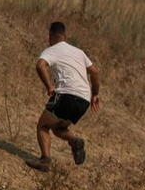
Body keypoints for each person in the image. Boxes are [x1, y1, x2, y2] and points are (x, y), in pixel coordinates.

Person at [29, 21, 100, 171]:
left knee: (43, 125)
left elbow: (40, 65)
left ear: (50, 36)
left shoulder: (51, 50)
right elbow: (95, 72)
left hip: (67, 95)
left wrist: (49, 86)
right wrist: (95, 94)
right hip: (84, 101)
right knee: (58, 128)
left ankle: (45, 161)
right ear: (65, 36)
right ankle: (74, 140)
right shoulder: (79, 52)